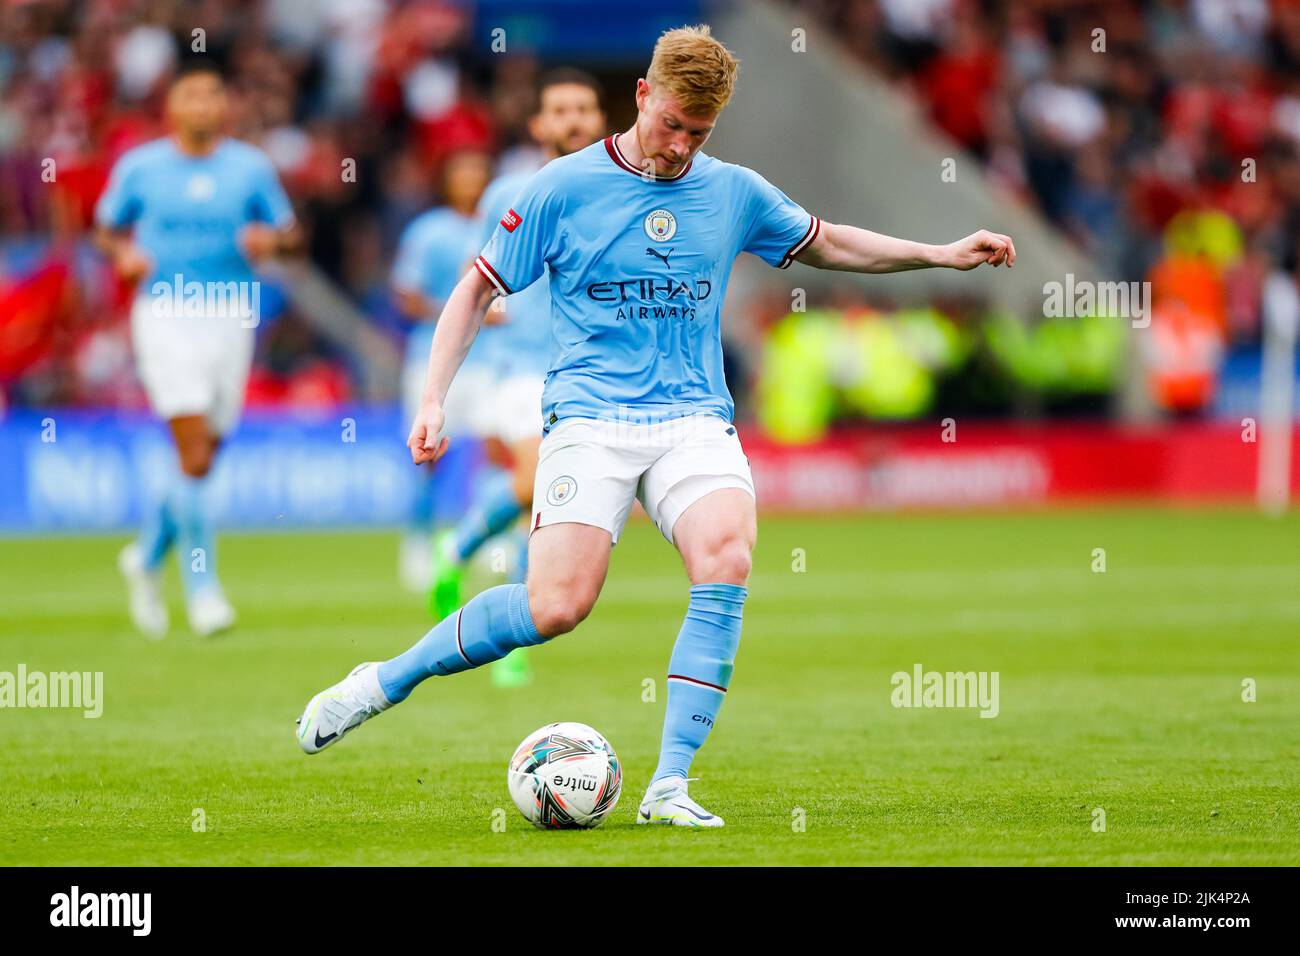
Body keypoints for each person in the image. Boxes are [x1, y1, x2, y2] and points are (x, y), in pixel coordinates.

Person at [297, 25, 1015, 827]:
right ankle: (384, 679)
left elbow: (829, 243)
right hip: (590, 418)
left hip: (693, 420)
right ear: (642, 95)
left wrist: (942, 253)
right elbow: (473, 292)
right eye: (671, 124)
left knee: (727, 556)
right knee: (556, 607)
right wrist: (432, 398)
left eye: (697, 133)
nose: (678, 146)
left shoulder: (733, 190)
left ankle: (669, 785)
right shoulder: (560, 190)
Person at [97, 57, 299, 638]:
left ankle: (143, 557)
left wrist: (271, 242)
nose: (204, 106)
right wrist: (123, 255)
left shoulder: (251, 168)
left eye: (214, 95)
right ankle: (203, 589)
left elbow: (289, 237)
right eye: (193, 96)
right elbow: (107, 228)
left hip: (231, 315)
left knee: (203, 454)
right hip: (165, 313)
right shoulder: (140, 167)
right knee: (193, 452)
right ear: (173, 105)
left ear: (225, 105)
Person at [427, 68, 608, 690]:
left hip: (589, 376)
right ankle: (507, 633)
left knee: (552, 502)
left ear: (600, 119)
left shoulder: (620, 188)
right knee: (536, 482)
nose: (573, 120)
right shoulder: (509, 188)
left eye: (583, 109)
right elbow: (475, 273)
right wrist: (490, 309)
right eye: (560, 110)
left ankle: (459, 553)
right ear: (538, 125)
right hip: (519, 368)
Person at [391, 148, 493, 593]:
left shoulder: (501, 226)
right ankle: (418, 541)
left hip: (491, 359)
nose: (471, 179)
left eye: (477, 169)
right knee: (430, 456)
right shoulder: (428, 231)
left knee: (495, 452)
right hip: (432, 359)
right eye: (462, 170)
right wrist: (461, 312)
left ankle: (489, 540)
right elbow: (407, 297)